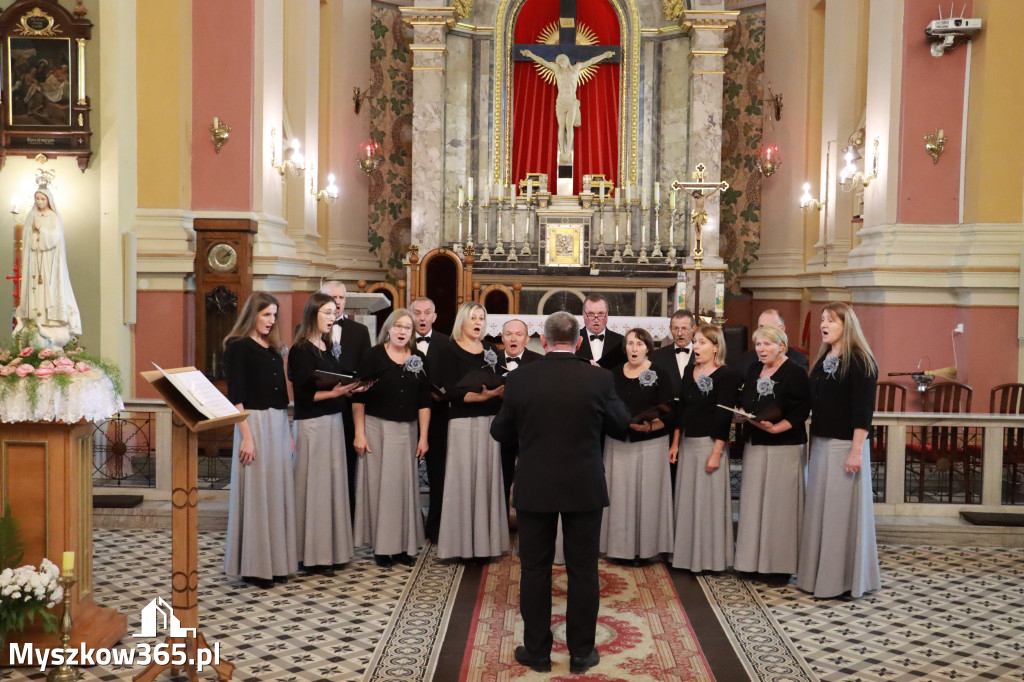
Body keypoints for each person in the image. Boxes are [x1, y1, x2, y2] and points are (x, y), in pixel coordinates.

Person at [491, 311, 630, 676]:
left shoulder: (520, 378)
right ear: (579, 341)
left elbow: (499, 431)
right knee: (583, 570)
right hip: (584, 486)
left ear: (543, 340)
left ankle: (537, 653)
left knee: (535, 570)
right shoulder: (599, 378)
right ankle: (582, 654)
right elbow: (621, 423)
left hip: (535, 486)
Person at [797, 303, 881, 599]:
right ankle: (817, 577)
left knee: (839, 515)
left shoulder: (860, 361)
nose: (824, 325)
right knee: (820, 512)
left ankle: (842, 581)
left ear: (847, 325)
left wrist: (856, 451)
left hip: (846, 446)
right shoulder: (823, 359)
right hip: (821, 444)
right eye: (822, 320)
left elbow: (863, 411)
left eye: (830, 321)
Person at [222, 292, 297, 587]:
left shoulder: (274, 348)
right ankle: (255, 567)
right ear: (252, 314)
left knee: (276, 493)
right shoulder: (237, 346)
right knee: (256, 494)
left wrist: (287, 431)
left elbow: (281, 395)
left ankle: (276, 564)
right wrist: (247, 437)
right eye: (266, 314)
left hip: (277, 423)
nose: (271, 320)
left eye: (274, 315)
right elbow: (236, 396)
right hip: (252, 422)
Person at [287, 292, 363, 572]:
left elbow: (333, 383)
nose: (333, 317)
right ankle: (310, 555)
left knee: (332, 487)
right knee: (314, 489)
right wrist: (335, 393)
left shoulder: (327, 345)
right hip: (313, 424)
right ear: (313, 314)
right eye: (327, 312)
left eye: (334, 312)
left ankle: (332, 551)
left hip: (333, 421)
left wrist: (350, 388)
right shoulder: (300, 349)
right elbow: (303, 396)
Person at [352, 309, 430, 567]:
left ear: (412, 333)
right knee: (381, 489)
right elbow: (359, 398)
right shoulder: (373, 355)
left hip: (407, 431)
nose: (402, 331)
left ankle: (404, 547)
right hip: (376, 429)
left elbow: (424, 401)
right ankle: (383, 548)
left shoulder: (418, 358)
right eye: (398, 326)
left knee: (404, 488)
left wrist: (423, 437)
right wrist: (360, 433)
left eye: (407, 327)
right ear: (388, 328)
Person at [734, 325, 810, 582]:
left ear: (781, 346)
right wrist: (740, 413)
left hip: (784, 445)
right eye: (758, 344)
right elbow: (746, 399)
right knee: (753, 503)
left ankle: (779, 567)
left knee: (780, 507)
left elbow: (802, 408)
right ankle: (750, 563)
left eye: (767, 344)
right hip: (756, 442)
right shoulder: (754, 369)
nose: (761, 349)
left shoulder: (795, 372)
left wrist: (778, 427)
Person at [435, 302, 509, 561]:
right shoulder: (448, 349)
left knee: (487, 480)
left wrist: (499, 390)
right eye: (473, 318)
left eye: (481, 318)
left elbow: (498, 379)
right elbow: (449, 389)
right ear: (462, 321)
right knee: (463, 480)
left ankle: (486, 546)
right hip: (462, 421)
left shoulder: (491, 349)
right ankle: (460, 546)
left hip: (490, 421)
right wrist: (479, 397)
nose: (478, 322)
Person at [600, 328, 675, 563]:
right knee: (619, 497)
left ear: (648, 348)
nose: (634, 348)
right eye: (630, 343)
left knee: (647, 498)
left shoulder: (659, 373)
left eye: (639, 344)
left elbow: (671, 412)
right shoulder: (613, 373)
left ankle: (645, 551)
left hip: (650, 444)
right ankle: (619, 550)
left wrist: (650, 426)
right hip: (618, 443)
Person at [670, 324, 739, 572]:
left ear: (716, 347)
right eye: (695, 342)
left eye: (701, 342)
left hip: (710, 445)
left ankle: (710, 560)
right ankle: (686, 557)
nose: (695, 347)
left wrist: (716, 453)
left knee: (708, 503)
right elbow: (681, 409)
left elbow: (724, 416)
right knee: (687, 501)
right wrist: (676, 443)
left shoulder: (726, 375)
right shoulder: (690, 370)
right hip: (688, 444)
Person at [320, 281, 372, 515]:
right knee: (323, 465)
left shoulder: (359, 331)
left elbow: (366, 370)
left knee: (349, 463)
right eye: (333, 297)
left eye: (341, 297)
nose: (338, 302)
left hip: (350, 407)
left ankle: (348, 517)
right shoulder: (309, 329)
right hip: (321, 405)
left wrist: (358, 386)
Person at [519, 49, 615, 165]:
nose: (560, 61)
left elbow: (591, 61)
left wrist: (604, 55)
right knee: (561, 126)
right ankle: (562, 151)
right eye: (559, 60)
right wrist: (530, 54)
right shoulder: (557, 70)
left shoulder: (576, 68)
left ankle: (568, 151)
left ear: (567, 60)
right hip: (561, 102)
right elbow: (542, 61)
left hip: (571, 102)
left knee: (569, 126)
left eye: (562, 59)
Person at [14, 187, 82, 349]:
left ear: (49, 200)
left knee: (47, 288)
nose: (39, 202)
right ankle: (34, 318)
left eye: (42, 199)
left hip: (49, 261)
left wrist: (41, 229)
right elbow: (27, 238)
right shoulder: (32, 215)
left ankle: (48, 319)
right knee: (35, 289)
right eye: (37, 199)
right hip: (34, 259)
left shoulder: (53, 216)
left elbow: (54, 238)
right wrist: (32, 232)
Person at [411, 297, 450, 543]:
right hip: (407, 416)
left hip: (439, 417)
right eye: (417, 312)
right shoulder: (401, 340)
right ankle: (409, 529)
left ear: (434, 317)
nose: (422, 317)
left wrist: (444, 393)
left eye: (427, 313)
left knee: (439, 474)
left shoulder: (447, 343)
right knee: (405, 475)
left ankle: (435, 528)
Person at [499, 318, 543, 509]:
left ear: (527, 339)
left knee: (530, 479)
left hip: (529, 430)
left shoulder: (539, 362)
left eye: (518, 334)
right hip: (500, 429)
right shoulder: (491, 360)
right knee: (500, 477)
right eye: (508, 334)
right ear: (502, 338)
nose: (513, 339)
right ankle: (500, 520)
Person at [733, 309, 809, 379]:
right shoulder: (746, 359)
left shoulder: (798, 360)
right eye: (761, 327)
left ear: (782, 329)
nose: (764, 332)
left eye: (769, 328)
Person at [650, 309, 697, 395]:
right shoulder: (656, 356)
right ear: (670, 329)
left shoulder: (703, 355)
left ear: (694, 329)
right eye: (675, 328)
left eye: (684, 328)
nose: (679, 333)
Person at [575, 294, 626, 369]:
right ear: (583, 314)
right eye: (591, 314)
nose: (596, 319)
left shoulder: (621, 342)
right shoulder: (572, 340)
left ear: (607, 314)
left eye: (601, 314)